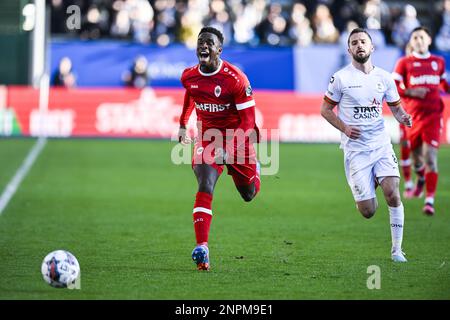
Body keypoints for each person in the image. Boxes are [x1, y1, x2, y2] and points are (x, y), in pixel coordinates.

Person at [320, 28, 412, 262]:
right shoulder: (340, 78)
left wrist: (404, 117)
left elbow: (396, 108)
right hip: (356, 151)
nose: (359, 45)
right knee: (368, 212)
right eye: (354, 43)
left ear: (372, 47)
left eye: (363, 41)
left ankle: (396, 250)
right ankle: (371, 180)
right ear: (349, 49)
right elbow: (325, 110)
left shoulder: (384, 77)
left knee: (393, 194)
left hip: (381, 145)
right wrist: (345, 128)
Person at [178, 26, 260, 271]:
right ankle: (202, 248)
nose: (203, 45)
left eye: (209, 42)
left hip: (238, 137)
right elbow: (191, 95)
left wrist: (231, 148)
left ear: (219, 50)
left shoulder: (236, 79)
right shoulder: (188, 76)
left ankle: (253, 170)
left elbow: (248, 122)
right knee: (205, 182)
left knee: (248, 194)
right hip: (208, 138)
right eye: (200, 42)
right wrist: (183, 124)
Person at [392, 26, 450, 215]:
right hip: (412, 119)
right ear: (411, 42)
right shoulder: (404, 63)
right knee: (417, 160)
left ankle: (429, 201)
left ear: (429, 40)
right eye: (415, 37)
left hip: (433, 116)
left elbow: (444, 83)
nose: (418, 40)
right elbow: (392, 88)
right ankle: (420, 178)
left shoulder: (438, 62)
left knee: (431, 158)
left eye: (422, 37)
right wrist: (410, 91)